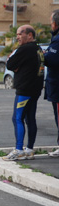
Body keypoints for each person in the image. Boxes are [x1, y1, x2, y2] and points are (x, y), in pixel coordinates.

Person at [3, 25, 45, 161]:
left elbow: (10, 64)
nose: (17, 37)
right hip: (35, 89)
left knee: (17, 118)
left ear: (30, 35)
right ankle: (29, 149)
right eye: (17, 34)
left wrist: (14, 60)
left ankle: (19, 149)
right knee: (30, 118)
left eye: (20, 34)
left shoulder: (25, 49)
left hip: (25, 90)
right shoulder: (38, 49)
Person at [46, 10, 59, 158]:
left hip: (56, 85)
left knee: (58, 116)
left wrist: (45, 56)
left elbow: (52, 60)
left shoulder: (56, 40)